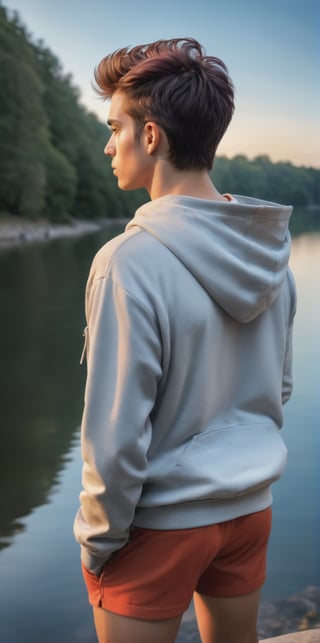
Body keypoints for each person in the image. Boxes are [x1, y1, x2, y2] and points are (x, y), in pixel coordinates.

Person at [74, 38, 296, 643]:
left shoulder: (127, 262)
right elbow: (279, 387)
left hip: (160, 524)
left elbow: (116, 437)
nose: (107, 144)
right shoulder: (274, 256)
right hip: (250, 508)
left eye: (114, 126)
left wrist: (98, 542)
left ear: (151, 137)